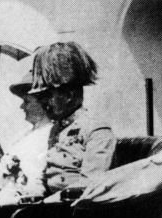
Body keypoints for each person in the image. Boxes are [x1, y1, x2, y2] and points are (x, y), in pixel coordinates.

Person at [29, 41, 115, 193]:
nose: (44, 104)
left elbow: (89, 187)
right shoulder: (56, 129)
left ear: (69, 95)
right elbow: (47, 178)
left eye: (48, 96)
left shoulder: (97, 131)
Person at [0, 71, 54, 204]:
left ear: (43, 103)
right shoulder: (24, 136)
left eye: (26, 101)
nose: (21, 106)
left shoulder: (50, 135)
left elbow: (32, 182)